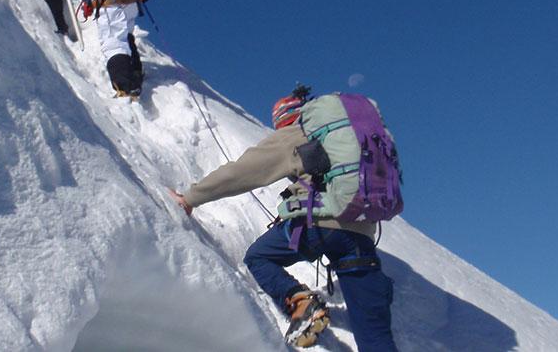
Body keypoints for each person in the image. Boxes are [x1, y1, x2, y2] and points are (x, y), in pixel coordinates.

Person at [169, 92, 399, 351]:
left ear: (282, 120)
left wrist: (191, 198)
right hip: (362, 233)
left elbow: (241, 173)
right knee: (375, 336)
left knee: (259, 257)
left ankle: (301, 303)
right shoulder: (351, 134)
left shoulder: (293, 134)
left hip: (319, 226)